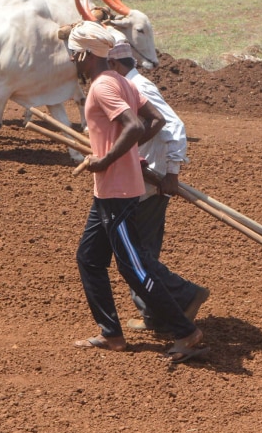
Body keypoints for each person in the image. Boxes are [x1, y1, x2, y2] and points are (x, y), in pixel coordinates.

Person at [68, 23, 206, 363]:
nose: (70, 59)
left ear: (84, 54)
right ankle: (111, 333)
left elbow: (133, 124)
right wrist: (127, 152)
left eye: (72, 53)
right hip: (109, 190)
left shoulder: (103, 86)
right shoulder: (120, 81)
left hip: (117, 190)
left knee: (135, 269)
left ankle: (186, 332)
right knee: (89, 258)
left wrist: (107, 159)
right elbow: (154, 119)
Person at [106, 41, 209, 337]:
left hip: (148, 182)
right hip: (141, 178)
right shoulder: (129, 86)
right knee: (140, 250)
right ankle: (153, 312)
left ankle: (185, 295)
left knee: (135, 253)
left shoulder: (139, 87)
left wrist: (172, 174)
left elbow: (174, 126)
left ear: (115, 66)